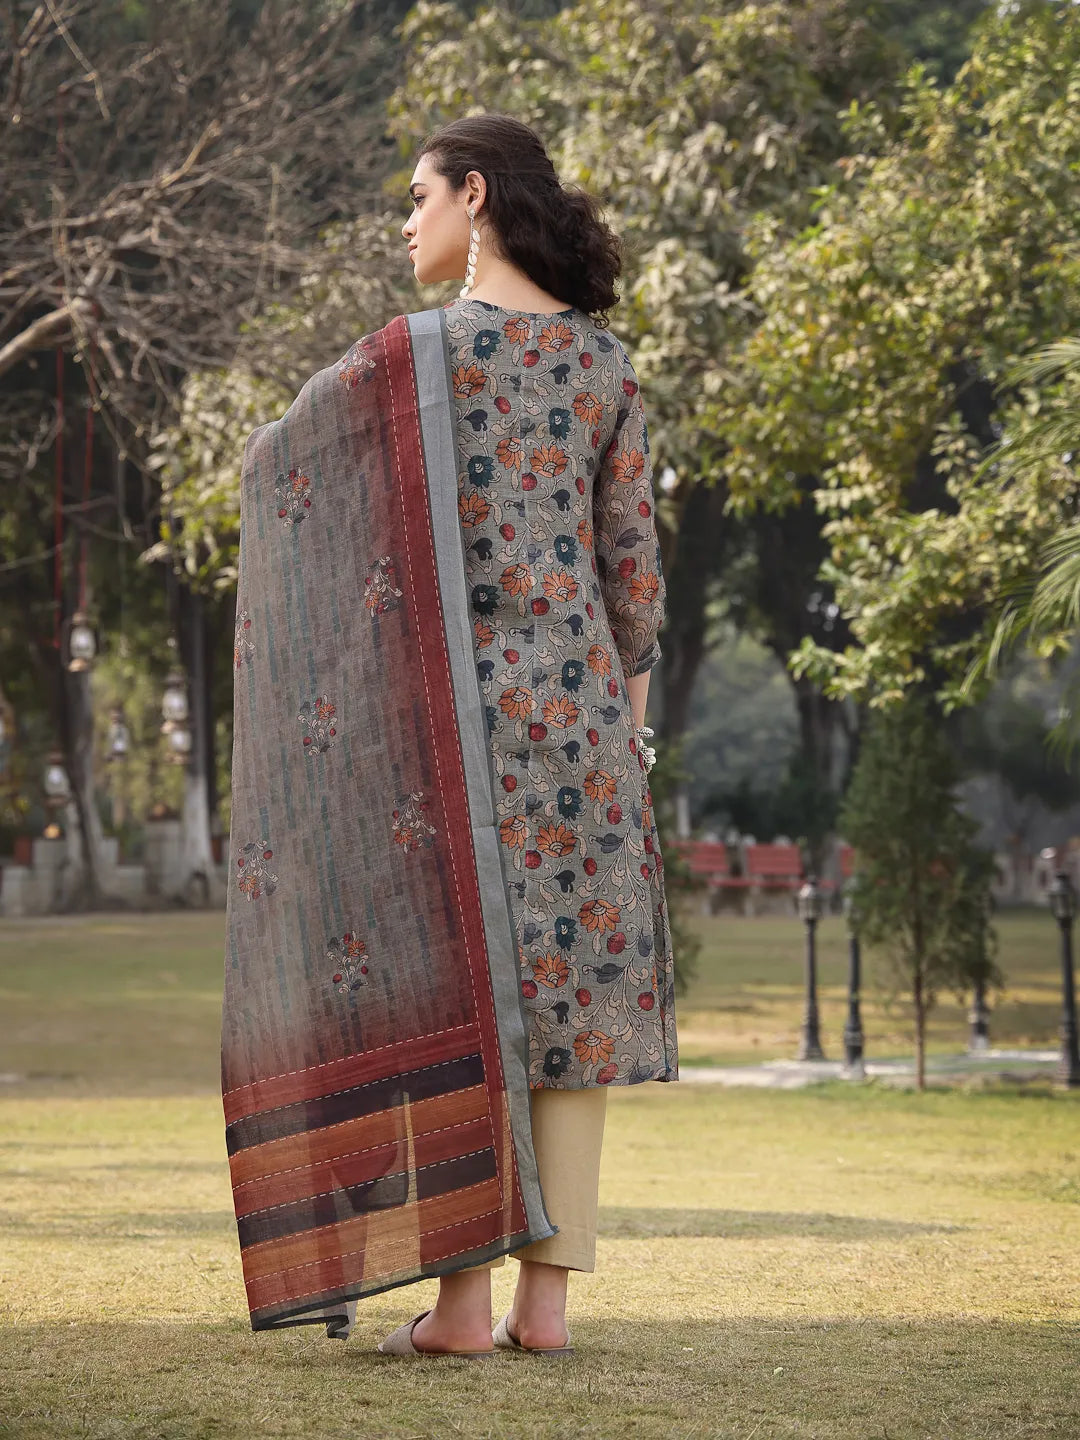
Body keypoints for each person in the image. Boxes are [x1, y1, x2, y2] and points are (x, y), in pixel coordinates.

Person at [376, 114, 679, 1358]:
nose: (406, 223)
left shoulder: (411, 360)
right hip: (587, 727)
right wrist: (632, 751)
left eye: (418, 197)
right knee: (572, 1005)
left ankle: (458, 1306)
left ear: (475, 194)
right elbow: (635, 587)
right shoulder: (606, 367)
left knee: (465, 1003)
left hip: (454, 722)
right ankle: (542, 1307)